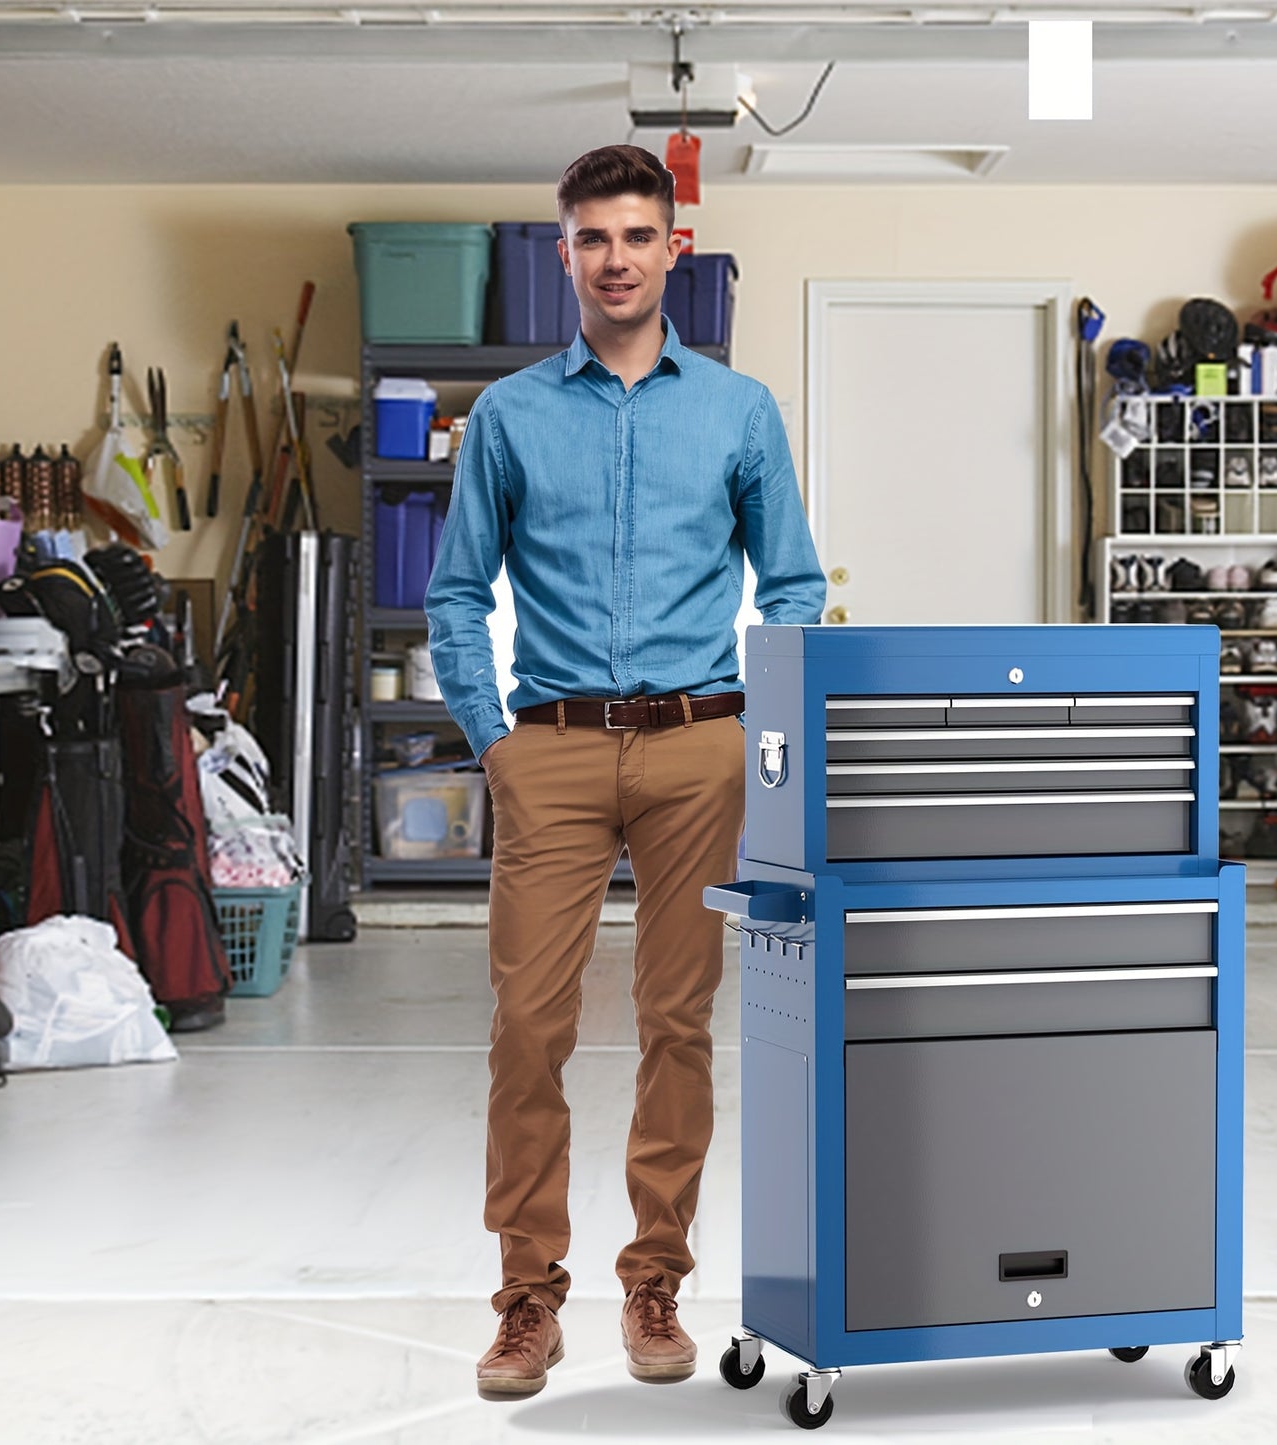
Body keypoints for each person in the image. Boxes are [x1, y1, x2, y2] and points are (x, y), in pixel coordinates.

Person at [425, 144, 826, 1401]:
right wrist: (494, 737)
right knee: (529, 1027)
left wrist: (761, 734)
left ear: (673, 252)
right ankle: (525, 1298)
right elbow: (453, 591)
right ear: (565, 256)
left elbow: (796, 585)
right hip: (547, 744)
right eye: (591, 238)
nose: (614, 259)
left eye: (635, 237)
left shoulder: (737, 410)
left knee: (677, 1022)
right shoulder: (508, 415)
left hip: (702, 749)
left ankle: (653, 1274)